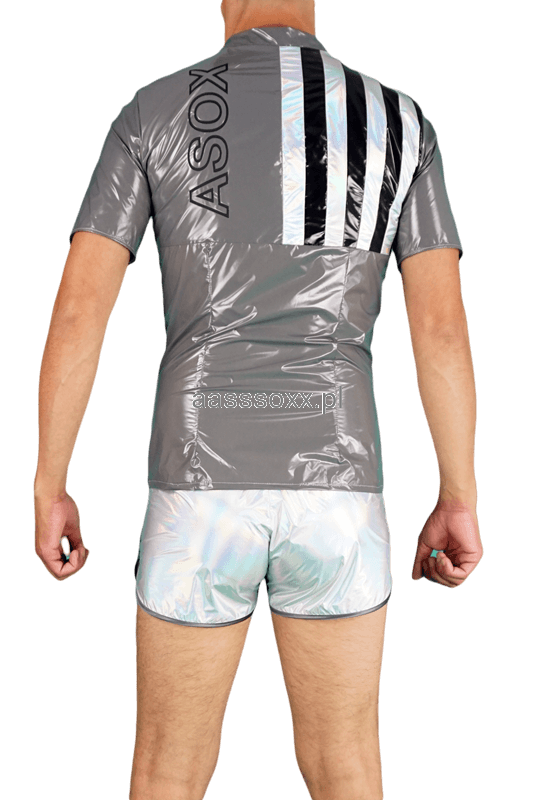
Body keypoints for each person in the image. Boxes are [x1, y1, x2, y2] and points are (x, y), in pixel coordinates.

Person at [33, 1, 483, 798]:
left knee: (167, 772)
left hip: (195, 487)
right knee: (346, 770)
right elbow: (440, 327)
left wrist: (50, 483)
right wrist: (458, 496)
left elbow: (78, 311)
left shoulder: (152, 108)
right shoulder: (399, 118)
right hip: (339, 490)